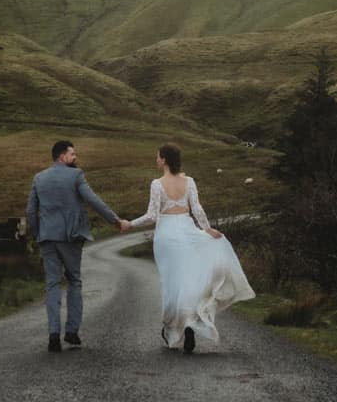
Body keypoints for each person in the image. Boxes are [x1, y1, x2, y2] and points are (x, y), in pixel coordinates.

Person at [125, 142, 255, 353]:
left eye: (158, 156)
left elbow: (151, 215)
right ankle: (189, 324)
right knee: (188, 279)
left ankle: (175, 327)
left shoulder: (157, 184)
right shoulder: (190, 181)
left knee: (171, 283)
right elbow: (197, 208)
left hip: (166, 236)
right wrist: (208, 229)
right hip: (187, 230)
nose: (156, 160)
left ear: (164, 159)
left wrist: (129, 224)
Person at [26, 139, 130, 352]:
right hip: (71, 237)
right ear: (62, 156)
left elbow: (30, 212)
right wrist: (116, 221)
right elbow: (93, 200)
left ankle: (53, 334)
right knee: (74, 281)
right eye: (72, 154)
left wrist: (39, 234)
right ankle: (71, 332)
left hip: (47, 238)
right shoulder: (76, 175)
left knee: (52, 284)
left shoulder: (39, 178)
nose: (75, 157)